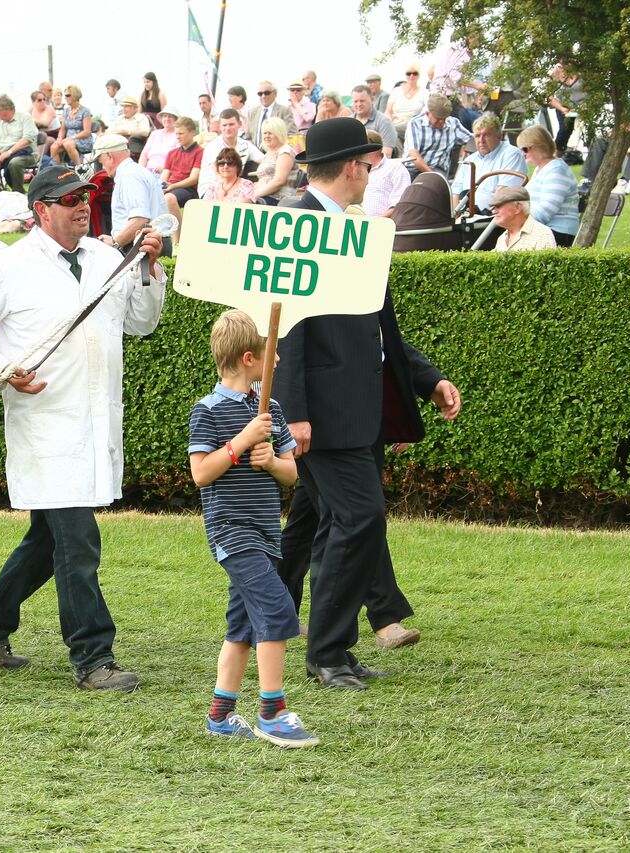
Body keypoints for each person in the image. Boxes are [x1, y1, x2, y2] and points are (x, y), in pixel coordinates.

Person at [0, 165, 165, 692]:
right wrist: (3, 369)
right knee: (77, 542)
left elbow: (142, 323)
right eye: (69, 199)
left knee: (49, 541)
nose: (82, 205)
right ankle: (93, 657)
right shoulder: (9, 264)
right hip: (43, 424)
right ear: (41, 210)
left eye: (86, 196)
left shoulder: (108, 258)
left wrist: (148, 270)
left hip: (96, 420)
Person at [274, 117, 462, 691]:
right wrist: (294, 411)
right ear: (353, 167)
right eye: (368, 163)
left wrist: (427, 379)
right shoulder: (298, 226)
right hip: (324, 415)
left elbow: (378, 332)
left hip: (359, 411)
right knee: (359, 519)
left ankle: (334, 651)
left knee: (340, 524)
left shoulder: (352, 229)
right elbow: (283, 328)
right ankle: (327, 653)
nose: (371, 171)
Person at [189, 310, 317, 747]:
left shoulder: (271, 409)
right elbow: (201, 473)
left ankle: (220, 716)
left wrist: (272, 462)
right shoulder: (207, 411)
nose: (278, 359)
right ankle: (272, 712)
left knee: (242, 625)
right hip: (231, 531)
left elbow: (292, 473)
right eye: (271, 351)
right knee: (278, 610)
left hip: (265, 532)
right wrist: (242, 442)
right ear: (249, 358)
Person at [95, 134, 167, 249]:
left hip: (145, 246)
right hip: (149, 243)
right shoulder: (135, 172)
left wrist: (115, 244)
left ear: (109, 156)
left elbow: (140, 219)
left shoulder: (129, 176)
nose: (103, 167)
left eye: (101, 162)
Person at [515, 125, 580, 247]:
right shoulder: (541, 169)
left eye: (525, 149)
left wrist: (515, 218)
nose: (523, 154)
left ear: (538, 147)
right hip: (543, 230)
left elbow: (544, 213)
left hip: (557, 232)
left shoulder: (557, 170)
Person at [450, 114, 526, 211]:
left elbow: (504, 193)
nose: (481, 140)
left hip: (494, 215)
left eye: (486, 135)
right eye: (477, 136)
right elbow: (455, 192)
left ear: (499, 137)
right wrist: (456, 215)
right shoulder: (470, 160)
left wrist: (489, 214)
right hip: (466, 215)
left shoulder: (511, 154)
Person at [404, 96, 472, 180]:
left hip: (438, 169)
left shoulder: (453, 124)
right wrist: (431, 174)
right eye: (438, 118)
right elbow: (414, 155)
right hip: (412, 168)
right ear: (428, 113)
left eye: (444, 118)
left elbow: (472, 140)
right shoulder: (415, 123)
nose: (442, 122)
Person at [196, 109, 259, 196]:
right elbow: (219, 175)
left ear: (239, 124)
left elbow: (265, 160)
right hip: (211, 190)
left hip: (233, 187)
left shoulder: (245, 145)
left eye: (231, 124)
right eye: (224, 125)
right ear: (220, 127)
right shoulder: (213, 146)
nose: (228, 128)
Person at [0, 95, 38, 194]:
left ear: (7, 110)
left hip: (24, 154)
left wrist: (9, 152)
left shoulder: (25, 118)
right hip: (1, 155)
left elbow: (28, 139)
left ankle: (18, 193)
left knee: (15, 163)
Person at [161, 117, 202, 237]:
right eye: (176, 133)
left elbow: (193, 179)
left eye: (181, 133)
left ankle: (178, 238)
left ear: (192, 132)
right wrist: (161, 186)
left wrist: (172, 186)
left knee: (169, 198)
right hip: (170, 187)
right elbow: (164, 176)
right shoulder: (172, 153)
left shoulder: (200, 152)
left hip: (188, 189)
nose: (178, 137)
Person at [490, 185, 557, 252]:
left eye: (498, 206)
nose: (493, 211)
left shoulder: (542, 235)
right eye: (493, 207)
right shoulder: (502, 238)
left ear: (517, 207)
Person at [361, 130, 411, 217]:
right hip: (355, 221)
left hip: (384, 222)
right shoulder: (356, 168)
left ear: (372, 149)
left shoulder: (395, 168)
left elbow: (400, 203)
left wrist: (377, 221)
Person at [251, 119, 298, 204]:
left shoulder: (285, 152)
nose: (267, 136)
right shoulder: (268, 154)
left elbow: (279, 182)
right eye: (265, 133)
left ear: (279, 133)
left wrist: (255, 194)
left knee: (243, 202)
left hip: (277, 200)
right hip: (263, 197)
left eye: (270, 133)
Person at [49, 85, 93, 169]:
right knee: (54, 147)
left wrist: (72, 137)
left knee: (68, 144)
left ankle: (80, 169)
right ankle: (57, 170)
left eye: (67, 95)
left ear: (75, 95)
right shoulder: (66, 111)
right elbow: (63, 129)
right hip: (68, 139)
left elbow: (87, 132)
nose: (65, 98)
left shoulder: (85, 111)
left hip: (83, 140)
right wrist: (59, 138)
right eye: (65, 96)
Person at [350, 85, 400, 158]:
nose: (359, 104)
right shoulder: (348, 123)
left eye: (362, 101)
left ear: (372, 100)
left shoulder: (384, 122)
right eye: (356, 101)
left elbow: (387, 153)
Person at [386, 64, 427, 146]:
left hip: (414, 125)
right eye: (409, 73)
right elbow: (388, 111)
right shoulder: (396, 91)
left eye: (415, 73)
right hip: (395, 123)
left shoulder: (424, 92)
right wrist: (388, 122)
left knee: (392, 131)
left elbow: (426, 112)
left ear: (418, 76)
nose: (411, 76)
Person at [140, 109, 180, 174]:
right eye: (165, 116)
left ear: (176, 120)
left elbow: (178, 159)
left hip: (165, 172)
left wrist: (165, 170)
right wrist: (142, 170)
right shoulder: (154, 133)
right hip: (147, 171)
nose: (167, 119)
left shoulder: (178, 135)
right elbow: (144, 154)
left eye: (170, 116)